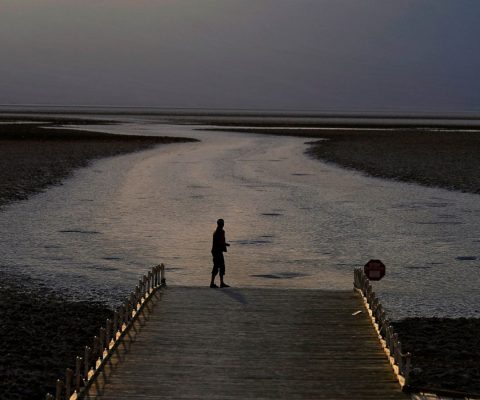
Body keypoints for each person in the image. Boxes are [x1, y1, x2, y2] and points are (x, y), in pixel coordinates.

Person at [210, 218, 230, 288]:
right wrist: (225, 244)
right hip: (216, 252)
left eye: (222, 223)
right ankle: (212, 283)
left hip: (218, 251)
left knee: (221, 267)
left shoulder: (220, 231)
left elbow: (220, 242)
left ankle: (221, 283)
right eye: (222, 224)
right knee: (216, 267)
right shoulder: (218, 232)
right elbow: (219, 242)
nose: (222, 225)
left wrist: (224, 244)